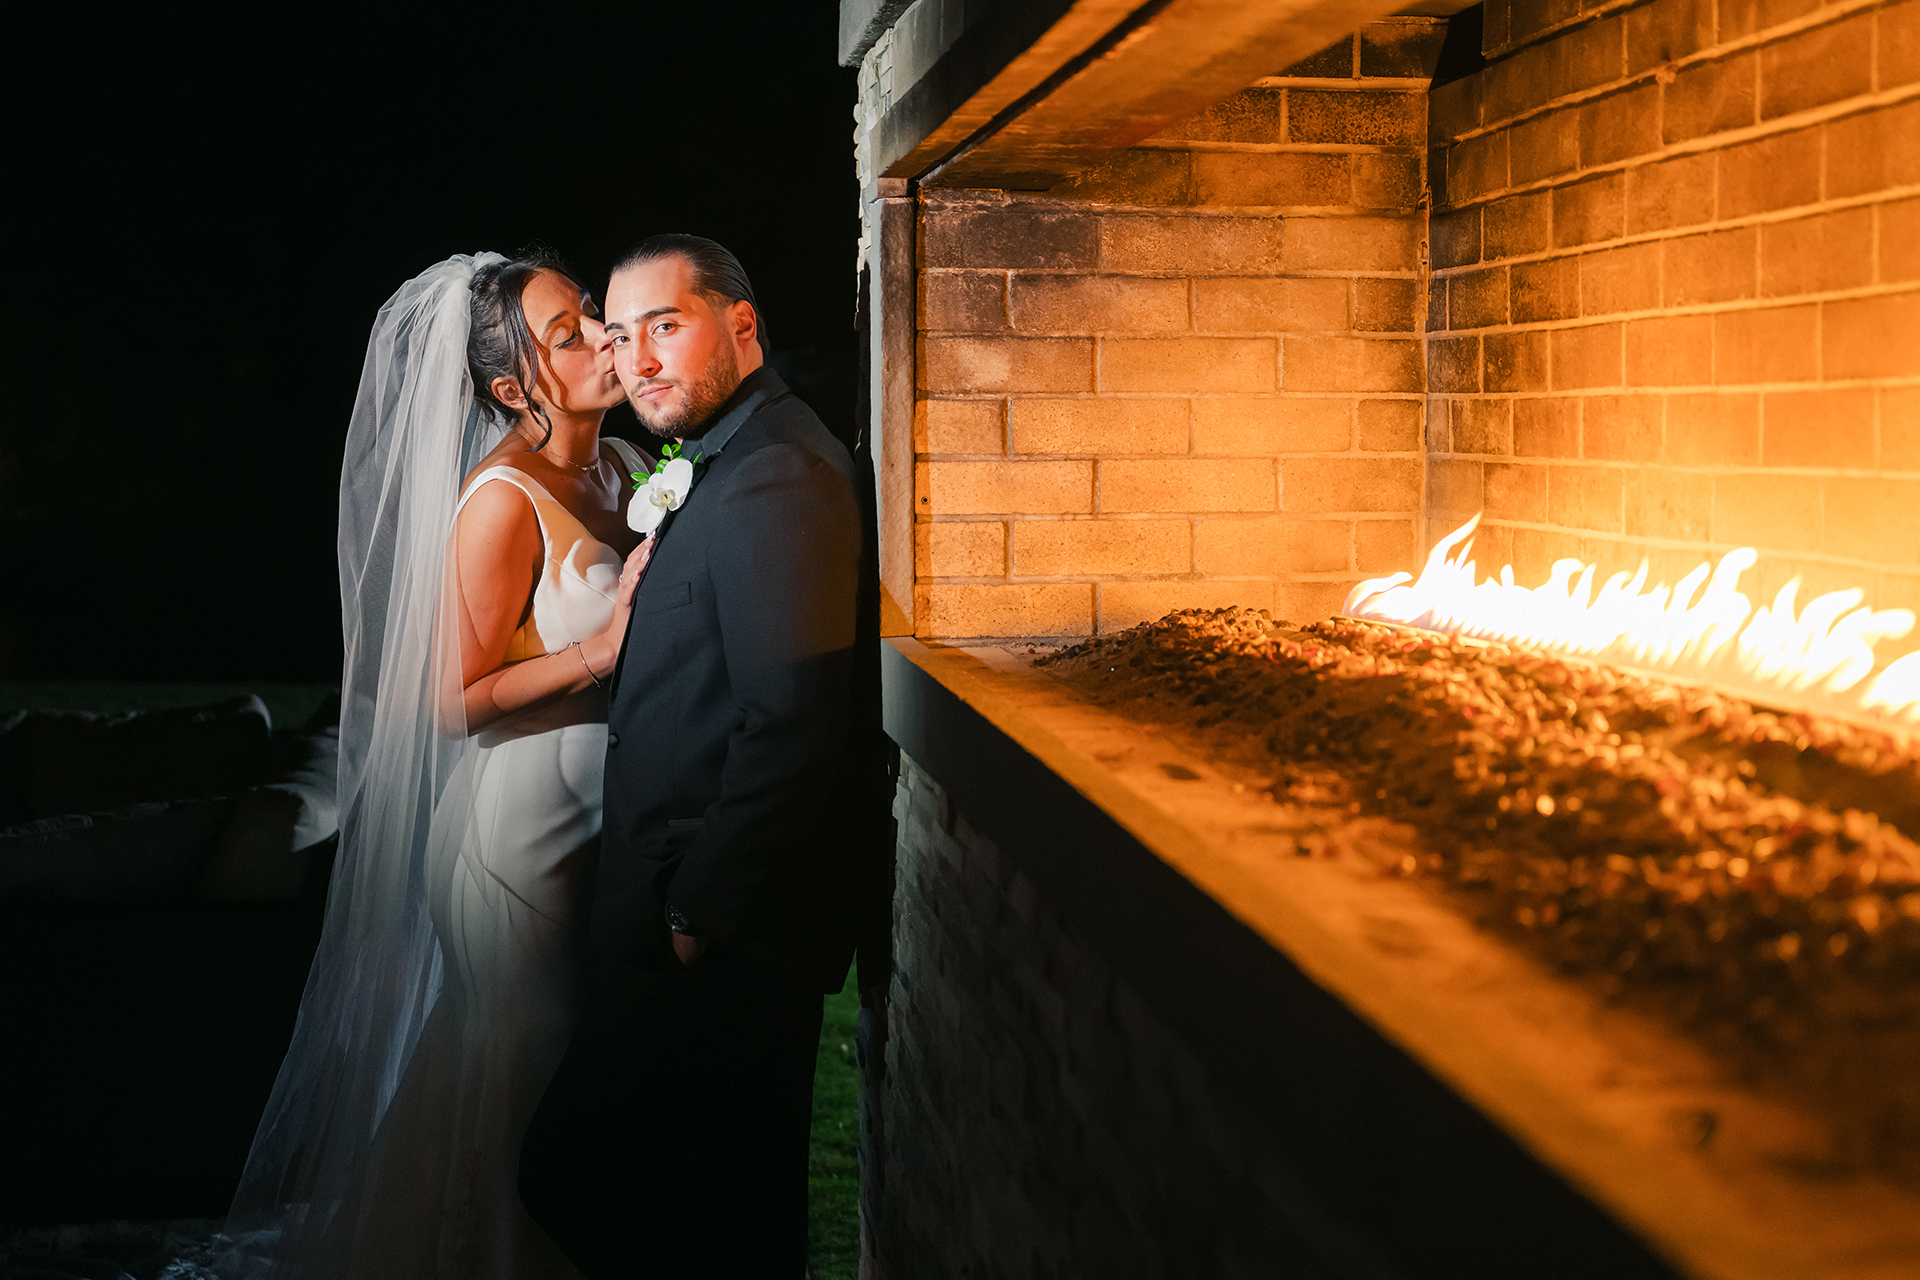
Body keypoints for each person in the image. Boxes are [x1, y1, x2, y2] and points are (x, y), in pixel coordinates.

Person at [224, 251, 650, 1279]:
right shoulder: (501, 499)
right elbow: (443, 701)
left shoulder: (629, 466)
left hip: (605, 829)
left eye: (590, 311)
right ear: (513, 388)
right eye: (568, 333)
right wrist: (596, 652)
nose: (604, 335)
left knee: (563, 1086)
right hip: (515, 845)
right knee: (509, 1083)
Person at [519, 234, 866, 1277]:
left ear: (741, 325)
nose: (638, 361)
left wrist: (692, 913)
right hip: (683, 914)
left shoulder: (777, 475)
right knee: (673, 1207)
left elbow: (793, 719)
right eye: (620, 338)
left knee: (673, 1205)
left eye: (665, 326)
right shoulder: (723, 456)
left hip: (723, 937)